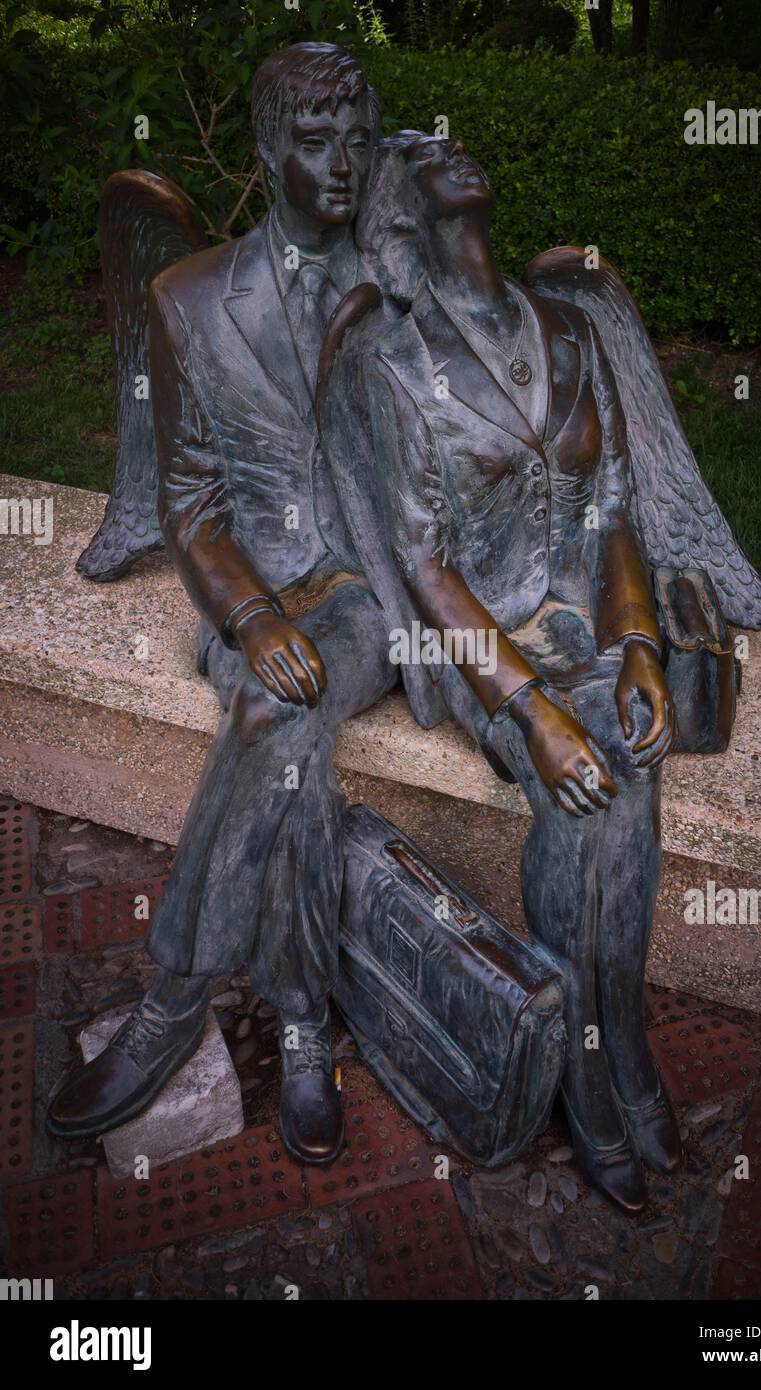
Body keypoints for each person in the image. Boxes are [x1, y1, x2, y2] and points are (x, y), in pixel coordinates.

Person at [47, 43, 401, 1166]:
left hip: (366, 595)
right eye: (313, 141)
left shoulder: (403, 284)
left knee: (266, 712)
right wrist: (249, 617)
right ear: (264, 152)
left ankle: (174, 999)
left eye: (357, 138)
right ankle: (302, 1026)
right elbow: (188, 498)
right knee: (276, 711)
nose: (342, 164)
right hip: (251, 592)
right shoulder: (187, 296)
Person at [318, 133, 684, 1212]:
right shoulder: (391, 363)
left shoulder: (567, 327)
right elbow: (422, 566)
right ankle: (602, 1059)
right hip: (482, 649)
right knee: (587, 793)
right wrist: (529, 716)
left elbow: (612, 507)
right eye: (428, 155)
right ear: (404, 208)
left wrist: (639, 649)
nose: (457, 152)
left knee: (631, 761)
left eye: (464, 147)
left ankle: (610, 1041)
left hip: (589, 624)